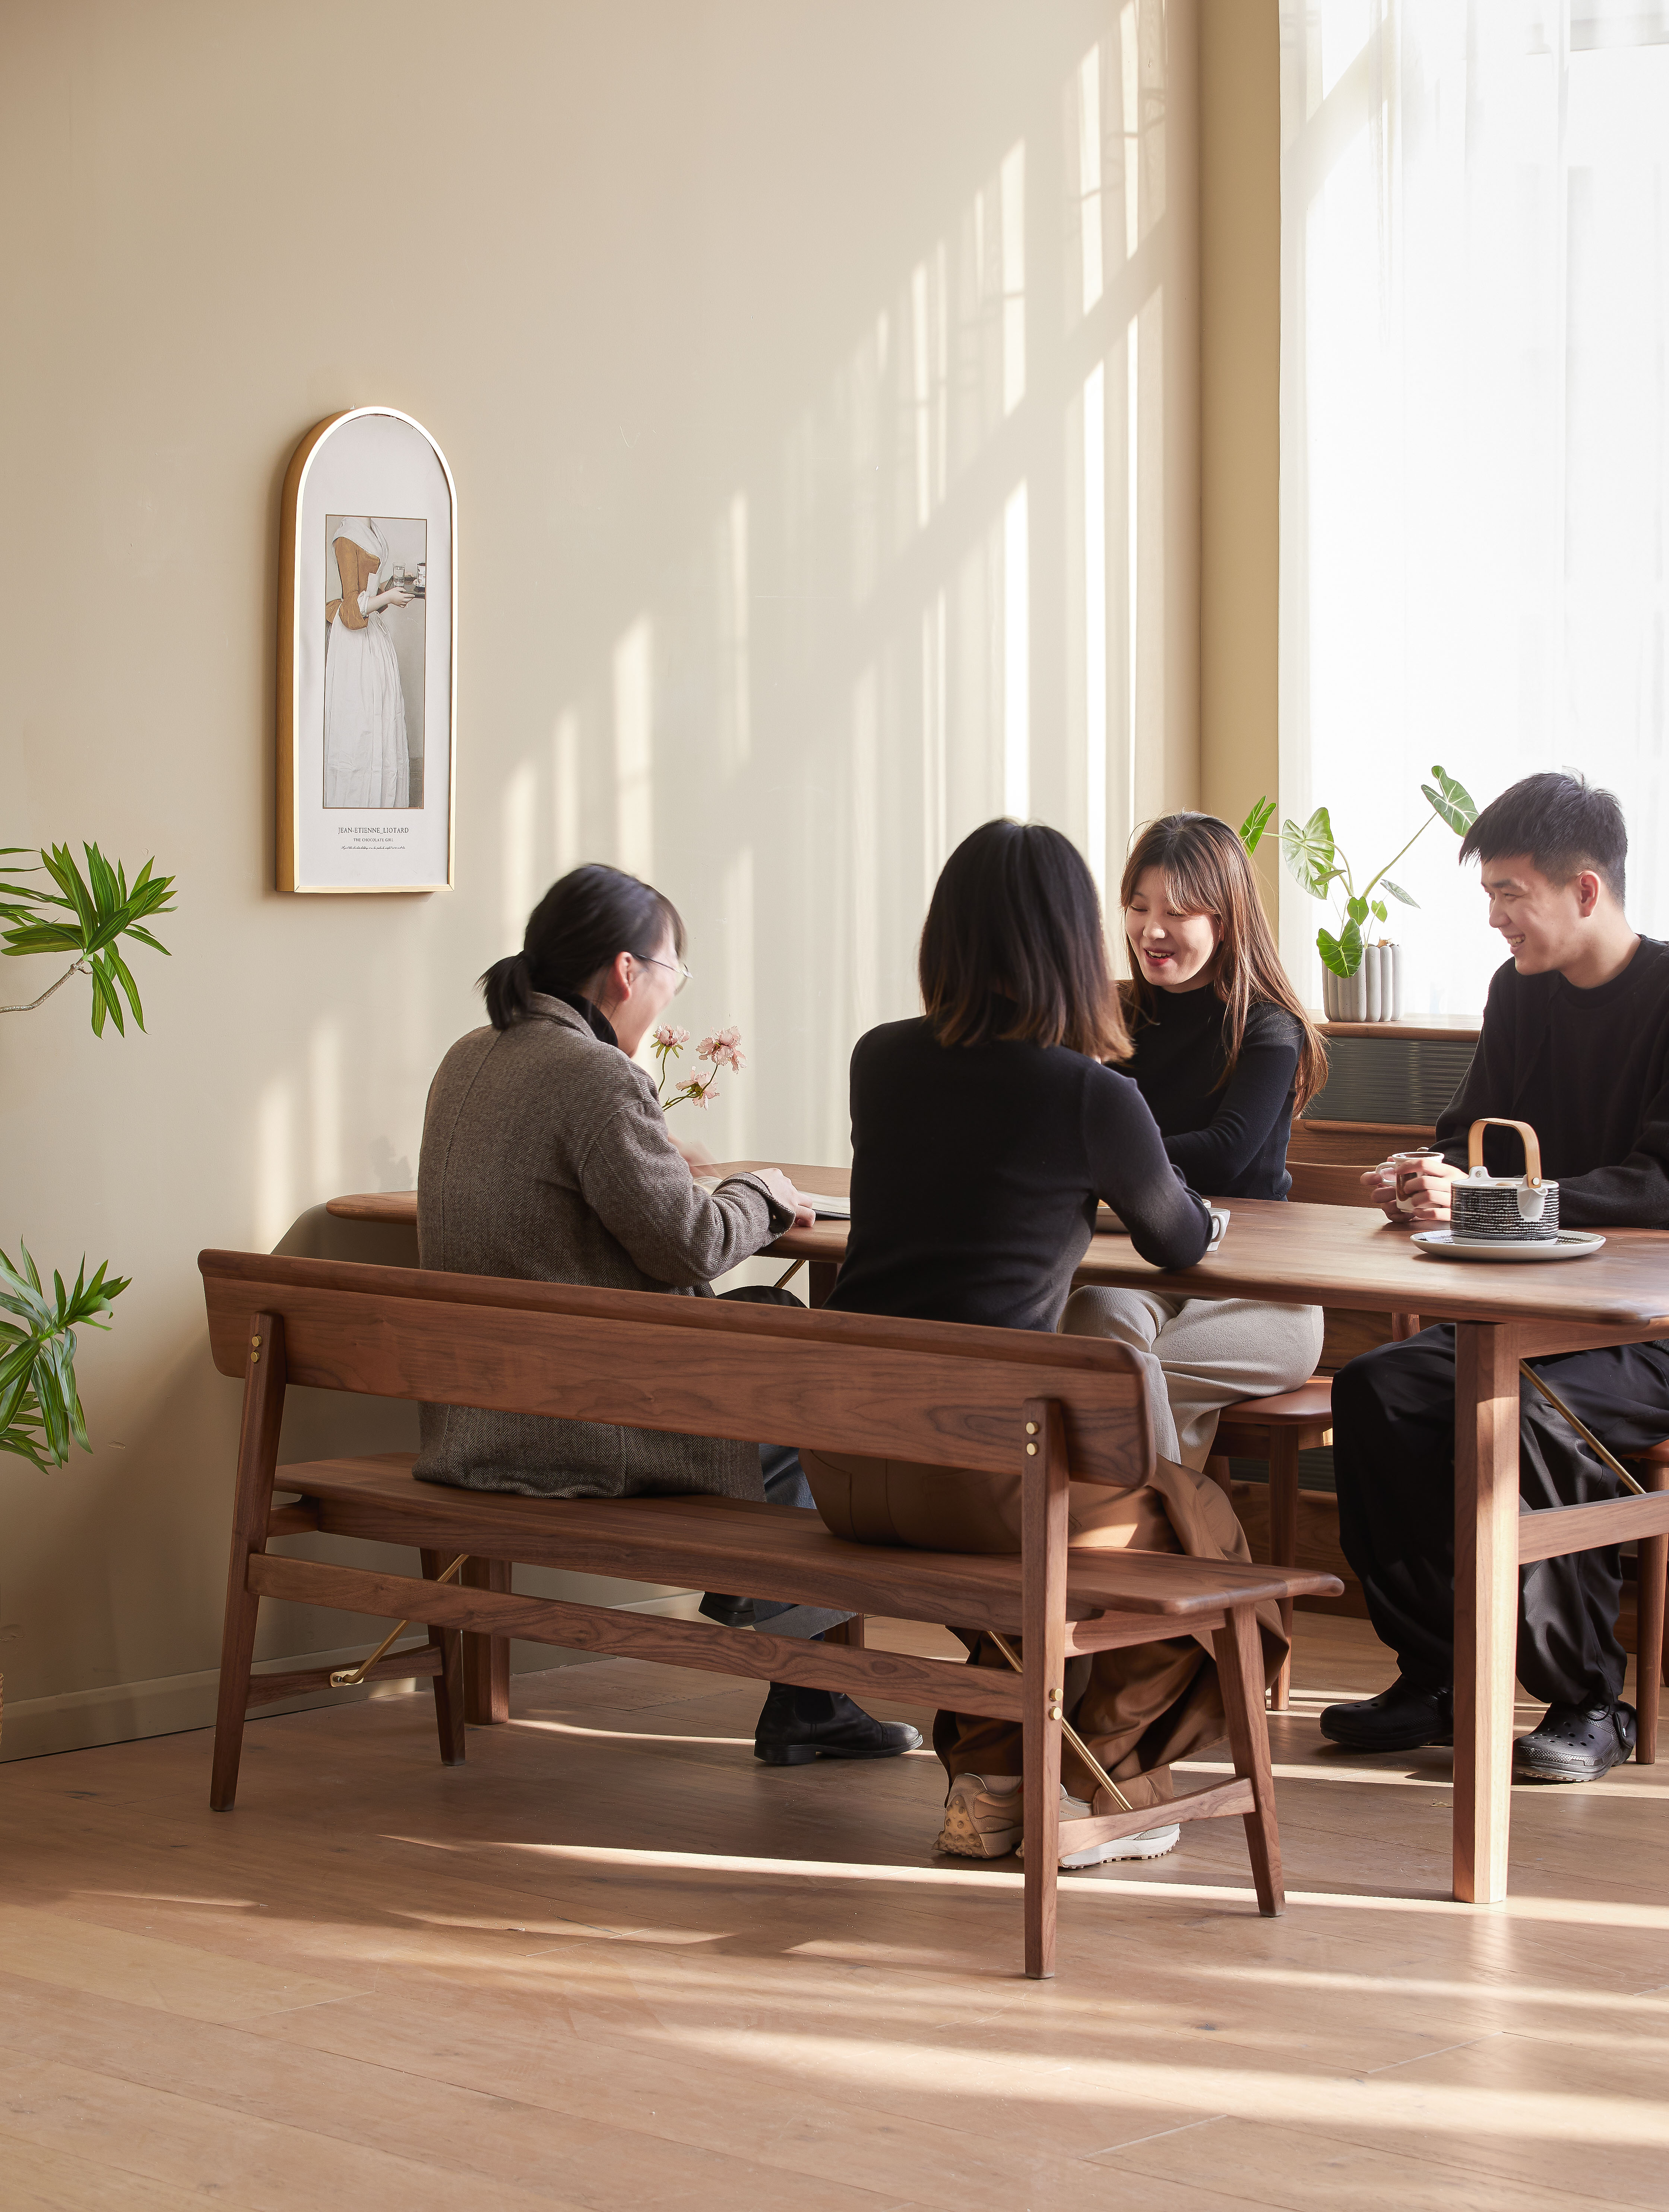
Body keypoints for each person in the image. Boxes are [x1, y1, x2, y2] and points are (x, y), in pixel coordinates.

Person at [798, 820, 1286, 1868]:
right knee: (1200, 1537)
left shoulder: (880, 1059)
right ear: (1075, 943)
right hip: (978, 1481)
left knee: (1036, 1567)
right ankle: (1097, 1793)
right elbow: (1181, 1237)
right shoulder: (1089, 1095)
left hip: (845, 1467)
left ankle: (991, 1782)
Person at [415, 861, 919, 1768]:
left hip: (473, 1420)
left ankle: (777, 1634)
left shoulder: (469, 1058)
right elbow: (686, 1246)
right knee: (813, 1377)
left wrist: (662, 1155)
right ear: (625, 971)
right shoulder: (593, 1077)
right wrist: (760, 1193)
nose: (667, 995)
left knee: (769, 1324)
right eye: (672, 974)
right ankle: (795, 1675)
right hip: (576, 1432)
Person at [1322, 772, 1669, 1782]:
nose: (1495, 917)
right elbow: (1466, 1133)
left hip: (1642, 1331)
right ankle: (1438, 1672)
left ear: (1587, 891)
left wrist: (1510, 1199)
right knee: (1377, 1391)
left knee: (1530, 1410)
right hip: (1525, 1310)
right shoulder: (1519, 993)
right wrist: (1429, 1180)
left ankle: (1591, 1704)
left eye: (1512, 892)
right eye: (1491, 893)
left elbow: (1662, 1180)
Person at [1059, 812, 1329, 1467]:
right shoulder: (1113, 1015)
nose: (1151, 930)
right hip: (1140, 1271)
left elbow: (1228, 1147)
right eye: (1137, 905)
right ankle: (1175, 1527)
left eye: (1177, 912)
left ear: (1224, 920)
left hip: (1259, 1292)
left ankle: (1141, 1539)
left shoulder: (1269, 1026)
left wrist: (1107, 1152)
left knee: (1098, 1377)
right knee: (1098, 1320)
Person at [324, 517, 413, 808]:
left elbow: (372, 600)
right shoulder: (347, 537)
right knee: (359, 725)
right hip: (354, 645)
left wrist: (395, 587)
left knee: (381, 721)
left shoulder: (372, 528)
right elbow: (352, 610)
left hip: (375, 640)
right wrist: (388, 596)